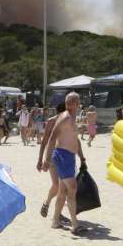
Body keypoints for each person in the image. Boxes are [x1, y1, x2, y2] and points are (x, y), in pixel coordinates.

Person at [39, 94, 87, 234]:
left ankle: (55, 221)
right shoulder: (65, 117)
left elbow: (74, 139)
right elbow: (52, 137)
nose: (77, 104)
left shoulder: (71, 118)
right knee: (72, 188)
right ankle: (75, 224)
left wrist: (81, 157)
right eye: (76, 102)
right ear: (73, 103)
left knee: (63, 190)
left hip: (69, 157)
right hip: (62, 155)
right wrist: (47, 160)